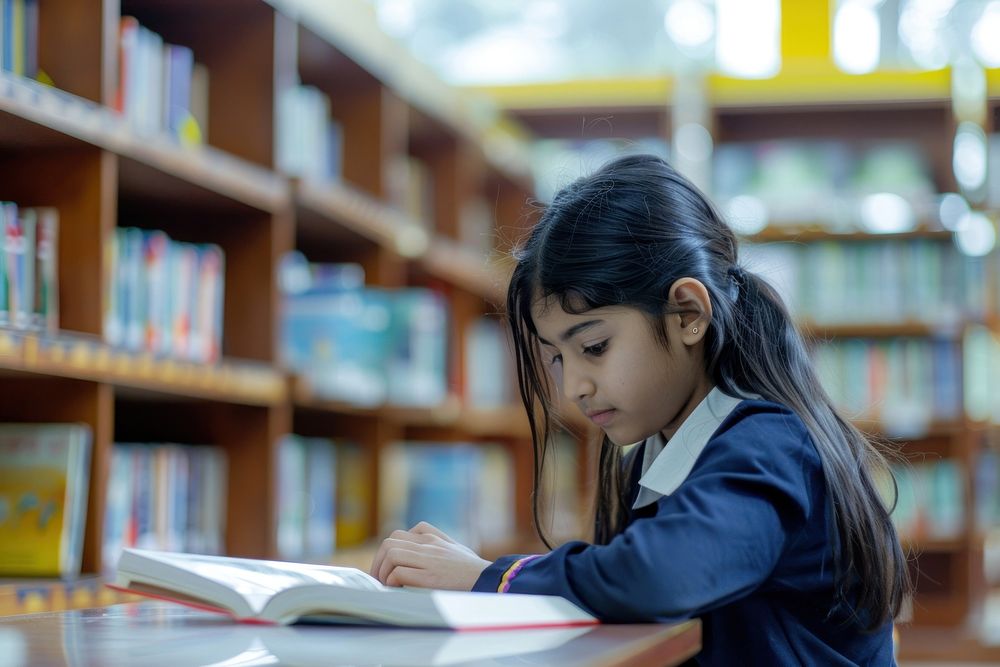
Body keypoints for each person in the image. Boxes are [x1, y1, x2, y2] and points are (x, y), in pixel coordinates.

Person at [370, 153, 910, 665]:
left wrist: (492, 577)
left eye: (595, 347)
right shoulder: (656, 457)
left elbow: (663, 576)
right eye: (556, 357)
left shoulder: (769, 443)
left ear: (688, 315)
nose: (575, 386)